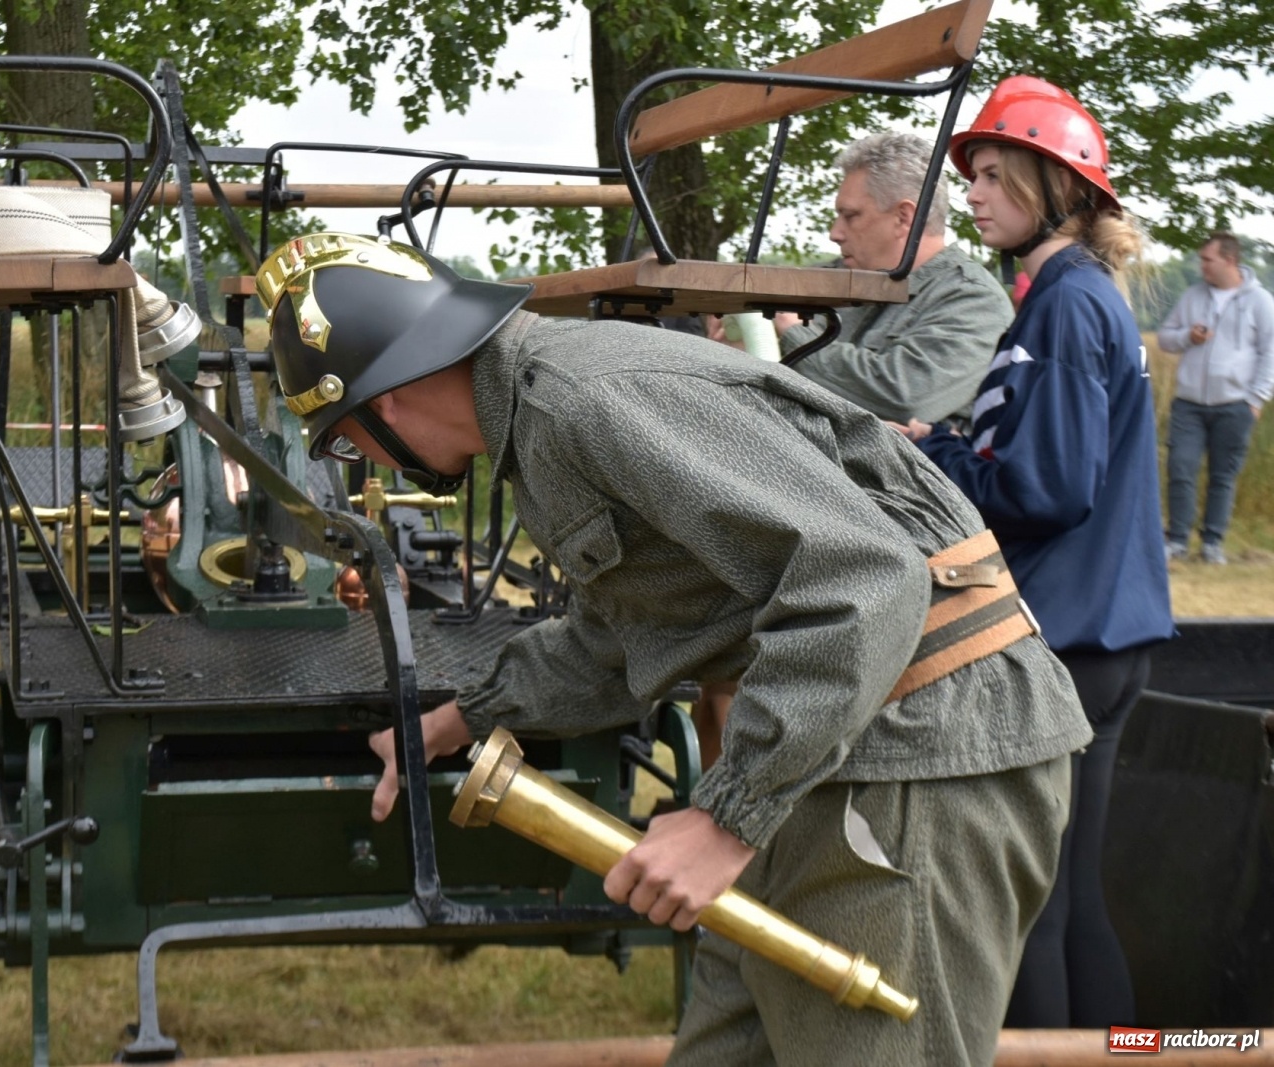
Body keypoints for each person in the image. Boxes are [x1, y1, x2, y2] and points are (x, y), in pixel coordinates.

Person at [258, 229, 1090, 1064]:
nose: (354, 456)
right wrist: (461, 719)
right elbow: (625, 636)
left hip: (917, 757)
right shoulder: (542, 419)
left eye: (340, 437)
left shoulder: (590, 398)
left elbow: (864, 577)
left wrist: (725, 820)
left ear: (387, 402)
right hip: (827, 754)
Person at [903, 75, 1175, 1029]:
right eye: (971, 176)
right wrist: (938, 442)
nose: (971, 193)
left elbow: (1047, 487)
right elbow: (1033, 456)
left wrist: (925, 469)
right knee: (1071, 900)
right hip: (1107, 638)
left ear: (1053, 187)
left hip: (1061, 639)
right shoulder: (1079, 298)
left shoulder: (1063, 308)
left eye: (990, 175)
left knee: (1029, 911)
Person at [772, 131, 1012, 428]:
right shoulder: (830, 279)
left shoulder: (974, 302)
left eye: (851, 216)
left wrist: (796, 336)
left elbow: (905, 397)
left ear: (903, 217)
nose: (835, 233)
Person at [1157, 231, 1274, 564]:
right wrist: (1187, 337)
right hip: (1189, 403)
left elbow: (1271, 353)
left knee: (1223, 476)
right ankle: (1177, 540)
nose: (1202, 266)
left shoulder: (1260, 301)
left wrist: (1255, 400)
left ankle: (1212, 545)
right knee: (1181, 467)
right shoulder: (1193, 296)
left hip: (1236, 405)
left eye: (1208, 260)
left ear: (1230, 260)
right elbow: (1165, 338)